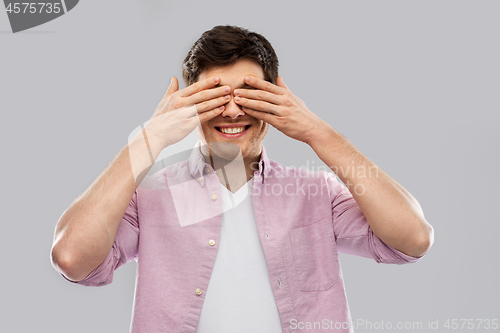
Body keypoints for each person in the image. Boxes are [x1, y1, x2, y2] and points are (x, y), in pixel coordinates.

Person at [51, 25, 434, 333]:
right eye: (215, 96)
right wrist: (149, 140)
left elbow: (412, 239)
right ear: (187, 103)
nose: (232, 111)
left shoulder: (315, 193)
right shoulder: (151, 195)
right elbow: (72, 258)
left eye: (248, 95)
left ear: (276, 98)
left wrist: (319, 133)